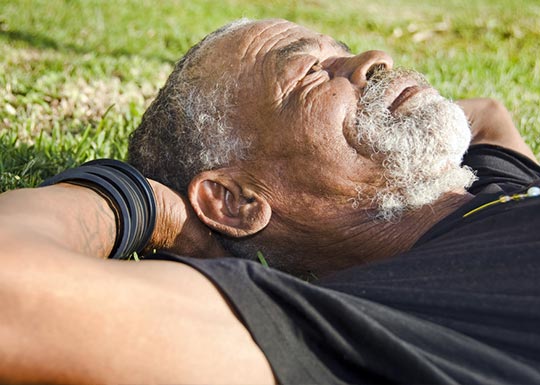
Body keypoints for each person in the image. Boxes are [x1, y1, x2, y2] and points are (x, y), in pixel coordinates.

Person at [0, 18, 539, 384]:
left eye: (343, 54)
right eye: (308, 74)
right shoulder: (363, 326)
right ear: (234, 202)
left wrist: (395, 127)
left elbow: (486, 114)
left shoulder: (486, 183)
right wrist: (143, 204)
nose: (375, 60)